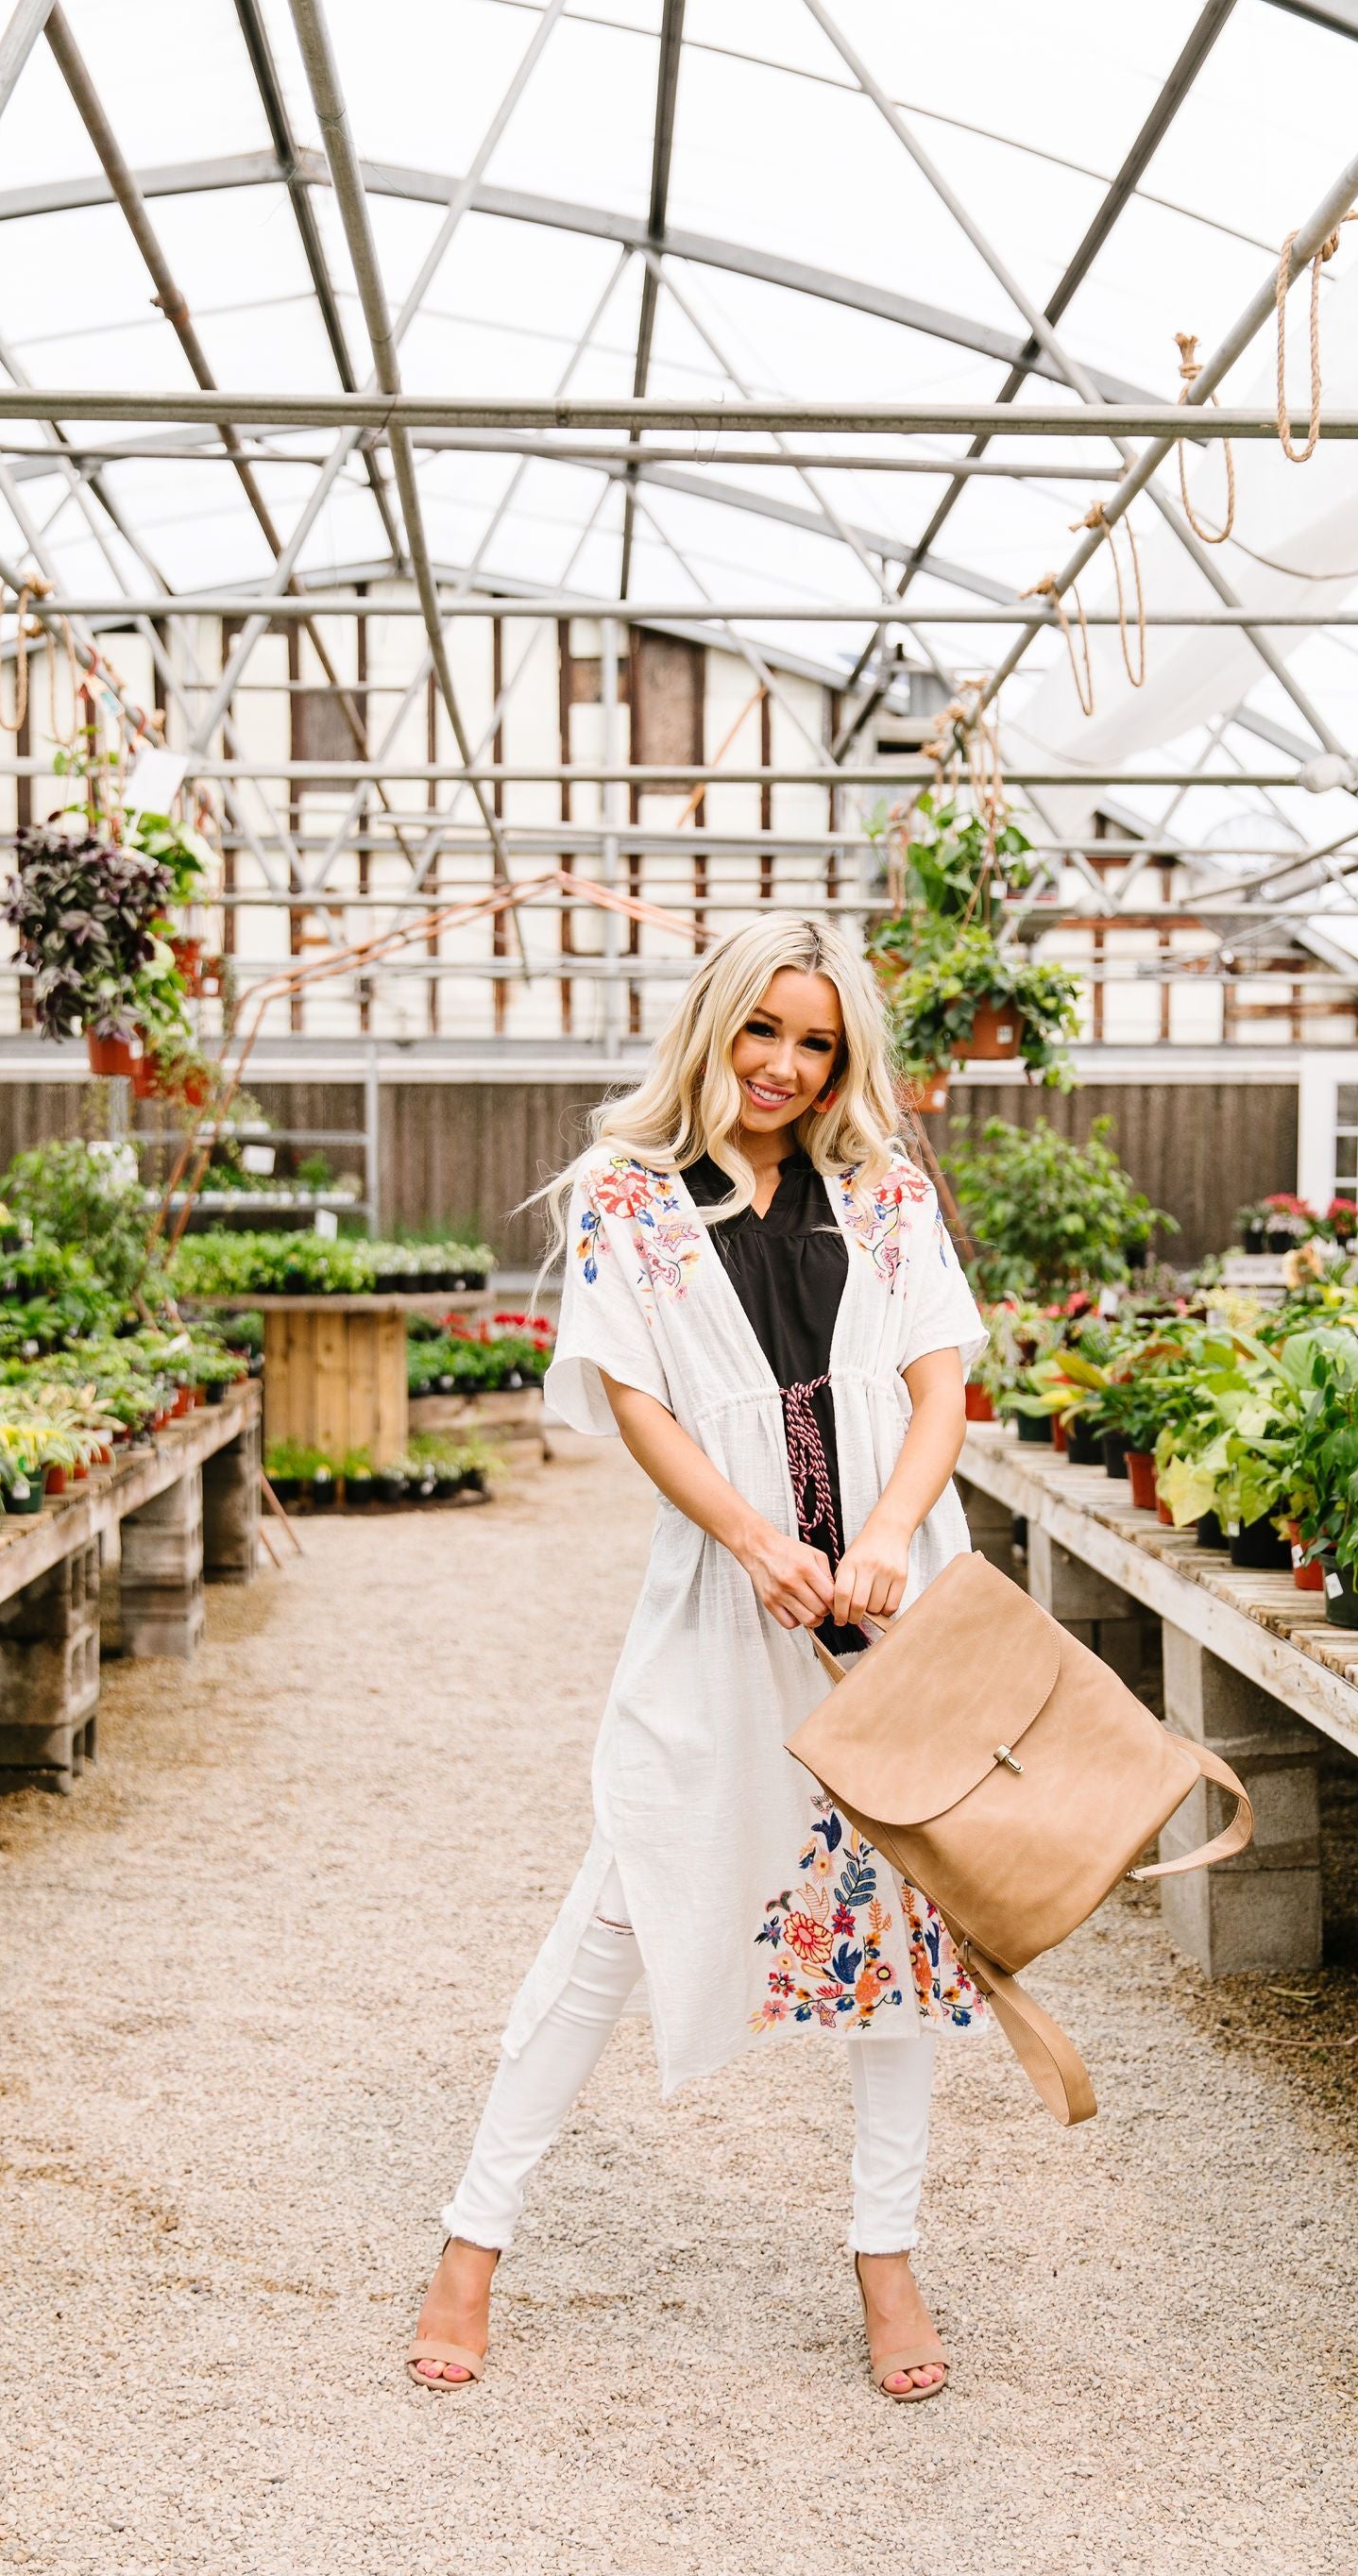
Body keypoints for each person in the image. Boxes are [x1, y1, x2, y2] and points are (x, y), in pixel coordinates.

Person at [411, 914, 989, 2400]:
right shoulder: (628, 1196)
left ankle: (886, 2254)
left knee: (902, 1935)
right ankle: (473, 2240)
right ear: (716, 1025)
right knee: (625, 1897)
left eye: (818, 1041)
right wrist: (754, 1539)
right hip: (730, 1606)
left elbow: (939, 1389)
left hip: (894, 1604)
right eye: (763, 1031)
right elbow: (638, 1405)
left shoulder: (886, 1191)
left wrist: (888, 1536)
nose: (787, 1066)